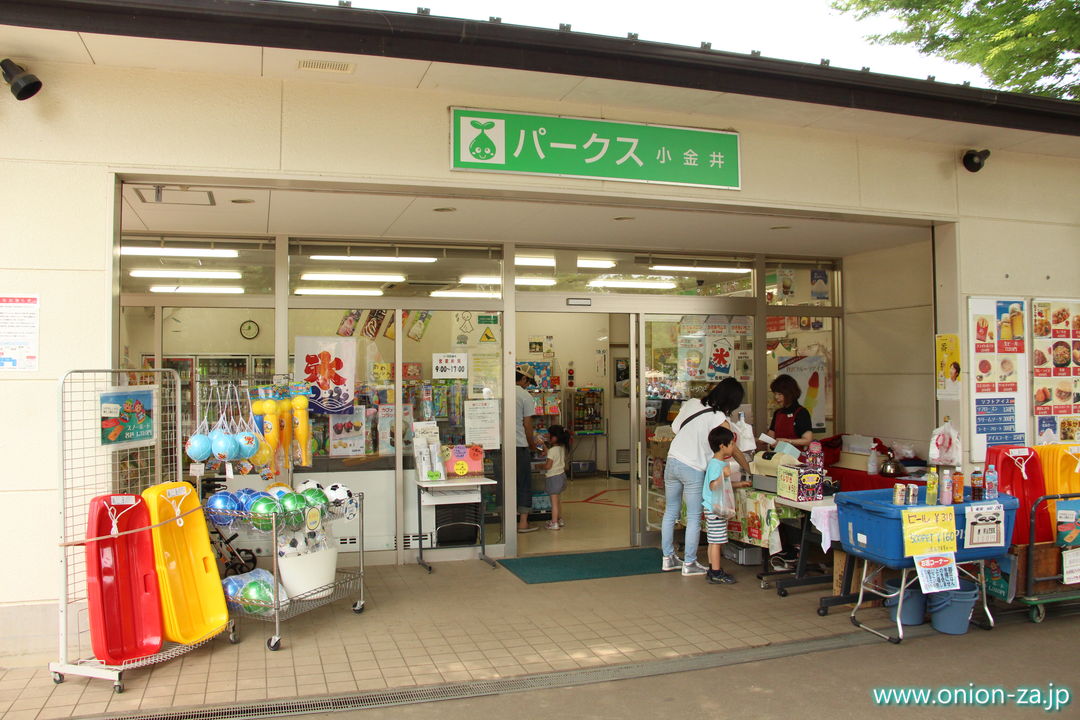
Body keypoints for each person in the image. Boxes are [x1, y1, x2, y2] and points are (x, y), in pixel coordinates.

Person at [661, 377, 752, 575]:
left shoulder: (692, 403)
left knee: (671, 511)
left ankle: (668, 558)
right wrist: (748, 467)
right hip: (692, 466)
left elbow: (675, 428)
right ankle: (690, 563)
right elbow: (732, 448)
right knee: (694, 516)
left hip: (673, 459)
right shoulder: (719, 418)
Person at [701, 426, 751, 584]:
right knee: (717, 542)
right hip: (716, 508)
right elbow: (713, 485)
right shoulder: (717, 465)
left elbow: (725, 484)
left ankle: (712, 569)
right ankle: (716, 572)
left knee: (713, 541)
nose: (733, 447)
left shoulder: (718, 463)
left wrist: (740, 483)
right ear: (722, 445)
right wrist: (723, 475)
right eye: (731, 444)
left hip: (712, 507)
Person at [514, 364, 540, 533]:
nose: (528, 385)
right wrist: (532, 445)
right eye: (529, 382)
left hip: (499, 447)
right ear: (523, 378)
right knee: (523, 483)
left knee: (503, 483)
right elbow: (527, 425)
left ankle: (505, 522)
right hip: (519, 446)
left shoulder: (500, 391)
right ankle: (523, 523)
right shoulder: (525, 396)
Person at [764, 374, 814, 449]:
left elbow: (807, 440)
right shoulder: (778, 413)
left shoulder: (801, 412)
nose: (776, 397)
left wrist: (788, 441)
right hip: (778, 456)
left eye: (780, 394)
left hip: (795, 457)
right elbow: (771, 434)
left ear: (790, 393)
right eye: (775, 394)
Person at [540, 424, 571, 530]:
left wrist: (540, 466)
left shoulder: (552, 451)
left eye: (549, 435)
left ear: (554, 437)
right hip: (561, 477)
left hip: (553, 478)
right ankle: (559, 519)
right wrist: (544, 445)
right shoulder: (561, 448)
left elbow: (548, 465)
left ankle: (554, 523)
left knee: (553, 503)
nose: (548, 437)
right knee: (558, 501)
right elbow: (551, 453)